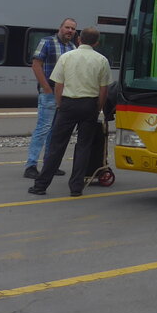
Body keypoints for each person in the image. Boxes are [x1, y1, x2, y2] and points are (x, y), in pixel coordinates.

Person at [27, 25, 110, 197]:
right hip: (89, 105)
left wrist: (60, 104)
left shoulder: (66, 57)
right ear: (96, 43)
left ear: (79, 39)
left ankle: (41, 186)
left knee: (56, 146)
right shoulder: (102, 60)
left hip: (67, 105)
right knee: (83, 147)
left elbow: (58, 85)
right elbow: (103, 90)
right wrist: (97, 108)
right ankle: (76, 188)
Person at [22, 17, 77, 179]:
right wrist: (46, 88)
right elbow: (36, 64)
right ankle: (31, 165)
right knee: (43, 128)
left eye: (73, 29)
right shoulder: (47, 42)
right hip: (49, 93)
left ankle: (49, 165)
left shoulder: (72, 47)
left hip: (64, 95)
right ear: (60, 28)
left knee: (55, 131)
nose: (70, 31)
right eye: (67, 27)